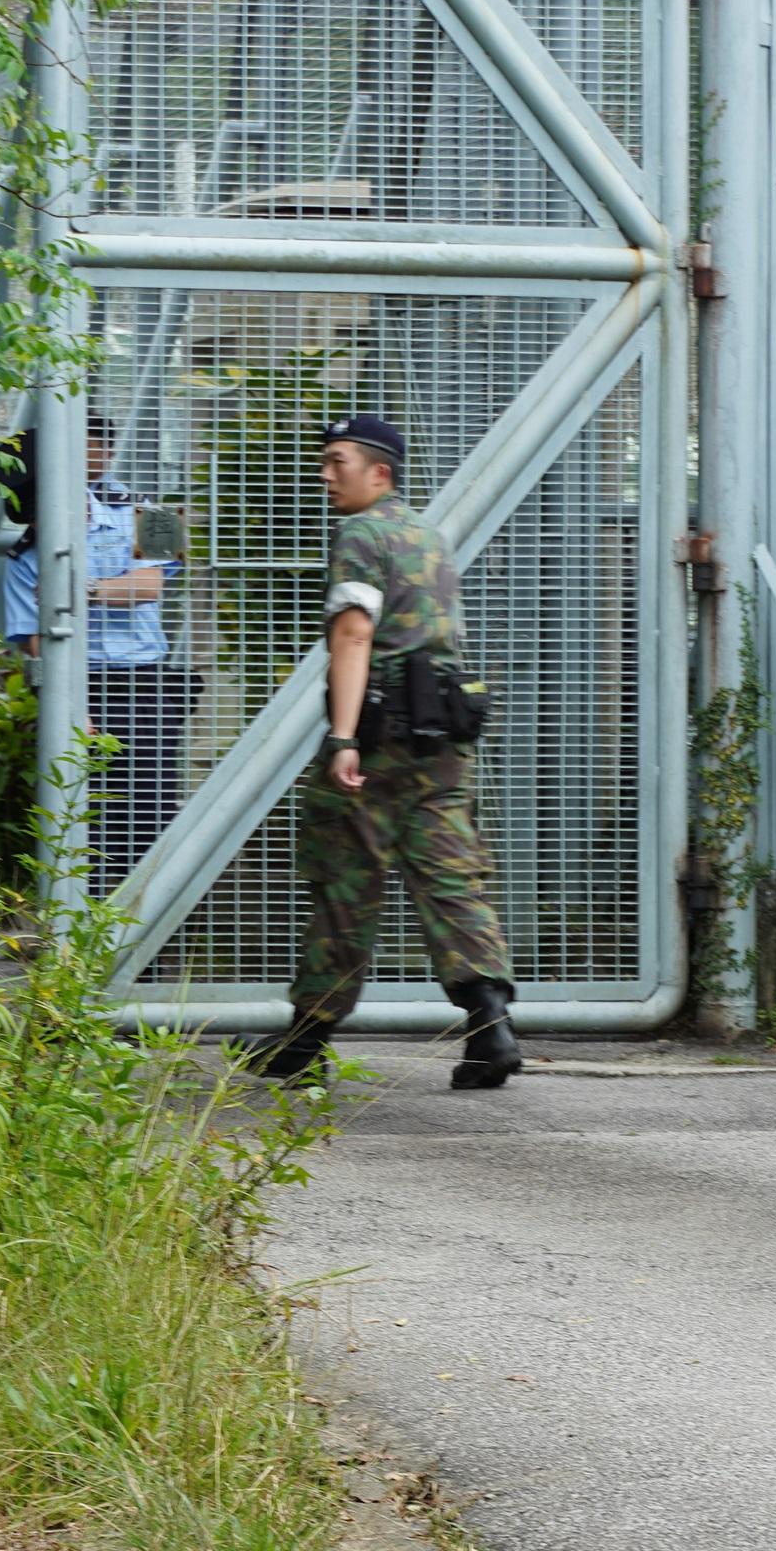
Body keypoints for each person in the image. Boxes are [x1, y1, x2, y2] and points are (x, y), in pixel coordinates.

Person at [238, 412, 520, 1090]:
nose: (325, 475)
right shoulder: (427, 534)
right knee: (451, 877)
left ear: (379, 472)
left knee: (345, 877)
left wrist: (343, 738)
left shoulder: (360, 534)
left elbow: (354, 635)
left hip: (379, 737)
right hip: (442, 735)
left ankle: (306, 1039)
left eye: (338, 462)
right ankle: (491, 1025)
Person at [0, 414, 186, 888]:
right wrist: (69, 709)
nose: (39, 523)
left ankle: (158, 926)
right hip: (81, 691)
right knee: (86, 824)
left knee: (151, 815)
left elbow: (151, 586)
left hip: (145, 686)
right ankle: (88, 923)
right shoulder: (21, 560)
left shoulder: (149, 510)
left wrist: (79, 590)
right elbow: (35, 644)